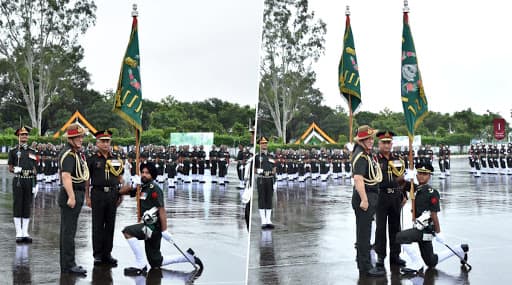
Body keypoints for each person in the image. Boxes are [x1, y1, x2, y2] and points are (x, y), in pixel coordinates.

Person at [119, 162, 203, 276]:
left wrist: (164, 230)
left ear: (152, 175)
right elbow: (121, 192)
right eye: (142, 172)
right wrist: (132, 185)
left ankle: (141, 264)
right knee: (156, 262)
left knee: (127, 231)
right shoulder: (141, 187)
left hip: (152, 227)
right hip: (148, 226)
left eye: (147, 173)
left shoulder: (154, 189)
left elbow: (161, 210)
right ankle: (187, 257)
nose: (144, 175)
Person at [397, 163, 469, 275]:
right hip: (418, 227)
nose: (421, 176)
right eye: (419, 173)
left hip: (425, 230)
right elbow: (398, 184)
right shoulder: (414, 187)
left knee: (400, 237)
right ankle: (459, 249)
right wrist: (405, 177)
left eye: (425, 174)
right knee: (431, 262)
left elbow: (434, 214)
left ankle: (417, 264)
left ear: (429, 176)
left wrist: (439, 232)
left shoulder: (432, 192)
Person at [85, 130, 125, 266]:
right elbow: (87, 179)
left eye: (108, 141)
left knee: (110, 225)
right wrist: (87, 197)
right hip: (97, 193)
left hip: (113, 194)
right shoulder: (92, 159)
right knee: (97, 225)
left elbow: (120, 178)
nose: (106, 144)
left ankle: (107, 253)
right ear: (97, 143)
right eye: (103, 141)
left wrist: (121, 194)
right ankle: (97, 254)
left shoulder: (116, 158)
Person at [350, 125, 385, 277]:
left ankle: (362, 262)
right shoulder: (361, 156)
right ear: (361, 140)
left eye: (372, 138)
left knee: (363, 232)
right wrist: (364, 200)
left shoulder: (366, 153)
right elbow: (358, 179)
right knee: (364, 234)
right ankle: (365, 267)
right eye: (368, 139)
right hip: (365, 196)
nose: (371, 141)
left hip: (370, 195)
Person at [58, 123, 89, 275]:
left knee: (68, 231)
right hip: (71, 193)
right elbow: (66, 175)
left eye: (81, 136)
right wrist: (71, 196)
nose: (80, 139)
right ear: (70, 138)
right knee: (68, 232)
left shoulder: (75, 153)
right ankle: (68, 265)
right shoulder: (69, 154)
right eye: (77, 137)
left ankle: (67, 264)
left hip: (77, 192)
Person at [374, 131, 407, 269]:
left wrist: (404, 194)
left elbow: (401, 179)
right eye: (384, 142)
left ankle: (395, 255)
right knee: (380, 228)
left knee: (395, 227)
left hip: (395, 196)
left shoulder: (398, 159)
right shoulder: (374, 159)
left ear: (392, 144)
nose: (387, 145)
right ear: (379, 144)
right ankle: (381, 257)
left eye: (389, 142)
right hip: (380, 196)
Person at [8, 126, 38, 243]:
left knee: (27, 205)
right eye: (22, 135)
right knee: (18, 204)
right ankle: (18, 232)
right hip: (19, 180)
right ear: (18, 137)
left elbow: (35, 168)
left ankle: (25, 232)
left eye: (26, 134)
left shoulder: (32, 151)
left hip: (29, 180)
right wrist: (15, 169)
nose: (24, 136)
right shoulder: (13, 151)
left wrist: (36, 184)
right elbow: (10, 167)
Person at [255, 136, 276, 229]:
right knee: (262, 198)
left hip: (270, 178)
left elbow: (274, 168)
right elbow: (254, 169)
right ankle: (263, 220)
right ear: (259, 145)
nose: (264, 145)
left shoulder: (271, 156)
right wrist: (258, 171)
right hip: (261, 179)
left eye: (265, 143)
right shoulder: (257, 156)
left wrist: (273, 173)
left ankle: (268, 219)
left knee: (269, 198)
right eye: (263, 143)